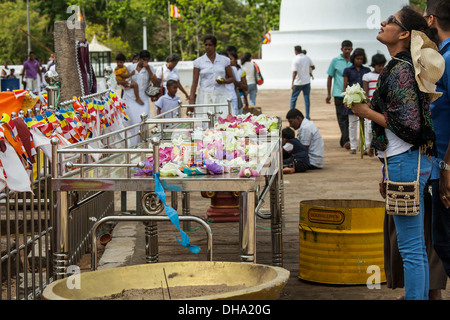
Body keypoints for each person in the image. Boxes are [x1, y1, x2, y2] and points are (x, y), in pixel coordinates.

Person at [351, 6, 441, 300]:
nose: (382, 22)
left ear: (404, 34)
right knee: (414, 246)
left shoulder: (401, 68)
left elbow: (409, 127)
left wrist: (365, 111)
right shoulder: (401, 65)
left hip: (406, 161)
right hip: (403, 162)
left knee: (411, 247)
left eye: (390, 21)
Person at [424, 0, 450, 279]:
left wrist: (446, 169)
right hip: (439, 163)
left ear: (431, 20)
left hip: (444, 165)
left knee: (445, 242)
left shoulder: (448, 59)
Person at [189, 35, 234, 117]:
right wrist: (191, 98)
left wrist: (224, 81)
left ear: (215, 46)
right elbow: (194, 82)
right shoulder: (198, 62)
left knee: (223, 120)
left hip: (221, 95)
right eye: (206, 45)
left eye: (210, 45)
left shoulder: (224, 60)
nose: (207, 47)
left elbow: (231, 78)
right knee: (205, 120)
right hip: (205, 95)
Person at [122, 50, 158, 146]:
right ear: (140, 59)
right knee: (132, 122)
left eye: (147, 60)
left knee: (142, 122)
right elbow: (124, 81)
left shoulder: (150, 68)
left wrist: (148, 69)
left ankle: (140, 144)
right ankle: (131, 145)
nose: (145, 62)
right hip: (130, 97)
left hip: (143, 99)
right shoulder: (131, 67)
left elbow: (155, 81)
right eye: (143, 60)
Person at [342, 48, 371, 154]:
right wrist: (346, 100)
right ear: (354, 58)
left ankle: (364, 146)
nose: (359, 61)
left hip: (362, 99)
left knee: (364, 124)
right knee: (352, 124)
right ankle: (353, 146)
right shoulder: (348, 70)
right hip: (352, 99)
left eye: (361, 59)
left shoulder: (366, 71)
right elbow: (345, 85)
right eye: (357, 59)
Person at [326, 40, 353, 149]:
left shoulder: (353, 61)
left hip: (351, 94)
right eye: (345, 49)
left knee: (349, 118)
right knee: (342, 118)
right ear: (341, 49)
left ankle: (344, 140)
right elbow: (330, 77)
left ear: (351, 49)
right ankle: (346, 140)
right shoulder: (335, 61)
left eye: (349, 49)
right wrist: (328, 94)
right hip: (338, 94)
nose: (347, 51)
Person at [362, 53, 387, 157]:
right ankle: (368, 147)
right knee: (368, 127)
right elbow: (365, 91)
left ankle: (376, 146)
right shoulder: (367, 76)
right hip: (371, 104)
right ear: (373, 65)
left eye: (382, 65)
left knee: (379, 126)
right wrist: (366, 102)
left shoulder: (385, 75)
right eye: (379, 65)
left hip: (381, 105)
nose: (381, 68)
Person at [290, 45, 315, 119]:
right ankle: (307, 116)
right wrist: (308, 70)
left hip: (298, 82)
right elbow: (313, 66)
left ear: (295, 51)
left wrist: (292, 83)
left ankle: (291, 114)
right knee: (307, 99)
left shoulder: (295, 59)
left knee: (293, 99)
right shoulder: (307, 58)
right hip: (306, 81)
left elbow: (294, 72)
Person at [221, 51, 248, 115]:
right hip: (222, 98)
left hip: (233, 98)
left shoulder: (235, 70)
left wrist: (228, 80)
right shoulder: (217, 70)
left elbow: (241, 85)